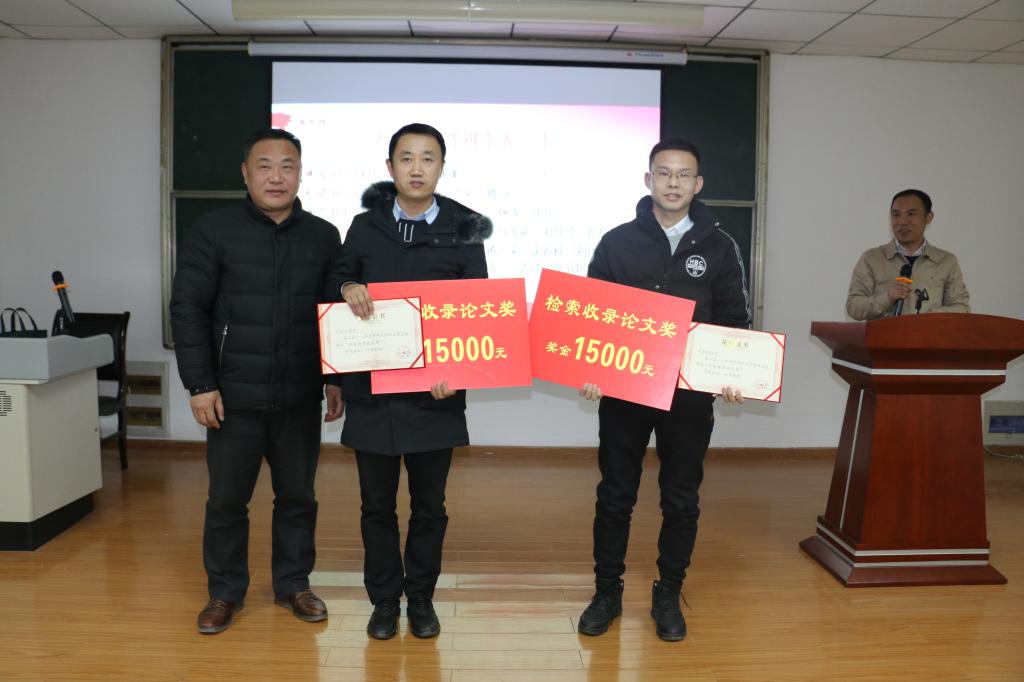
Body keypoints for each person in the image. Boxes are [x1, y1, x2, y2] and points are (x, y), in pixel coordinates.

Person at [170, 128, 345, 634]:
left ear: (300, 174)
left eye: (287, 166)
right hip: (232, 397)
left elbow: (334, 314)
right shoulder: (214, 230)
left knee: (298, 498)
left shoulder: (323, 235)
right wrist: (200, 384)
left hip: (298, 394)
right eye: (264, 166)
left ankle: (294, 584)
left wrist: (336, 379)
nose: (276, 176)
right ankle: (224, 592)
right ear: (245, 173)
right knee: (227, 501)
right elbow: (188, 307)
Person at [577, 137, 750, 642]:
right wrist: (590, 368)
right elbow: (592, 316)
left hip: (688, 398)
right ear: (648, 179)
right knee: (615, 496)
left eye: (683, 174)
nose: (673, 183)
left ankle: (669, 592)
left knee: (681, 500)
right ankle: (606, 592)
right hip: (625, 391)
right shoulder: (616, 242)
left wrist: (732, 373)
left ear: (698, 184)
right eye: (664, 173)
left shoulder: (721, 246)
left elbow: (734, 322)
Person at [324, 123, 490, 640]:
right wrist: (347, 286)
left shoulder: (464, 226)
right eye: (406, 158)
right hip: (372, 391)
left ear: (442, 166)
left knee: (429, 508)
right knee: (375, 506)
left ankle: (420, 597)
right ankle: (383, 601)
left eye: (427, 158)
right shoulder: (365, 225)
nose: (417, 168)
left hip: (434, 396)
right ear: (390, 166)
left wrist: (457, 374)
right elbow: (334, 284)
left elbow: (476, 311)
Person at [847, 189, 970, 321]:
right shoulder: (872, 258)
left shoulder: (946, 261)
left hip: (929, 334)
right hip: (884, 334)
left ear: (929, 217)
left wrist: (929, 318)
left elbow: (961, 308)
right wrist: (886, 298)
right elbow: (853, 307)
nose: (902, 221)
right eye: (896, 215)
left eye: (911, 214)